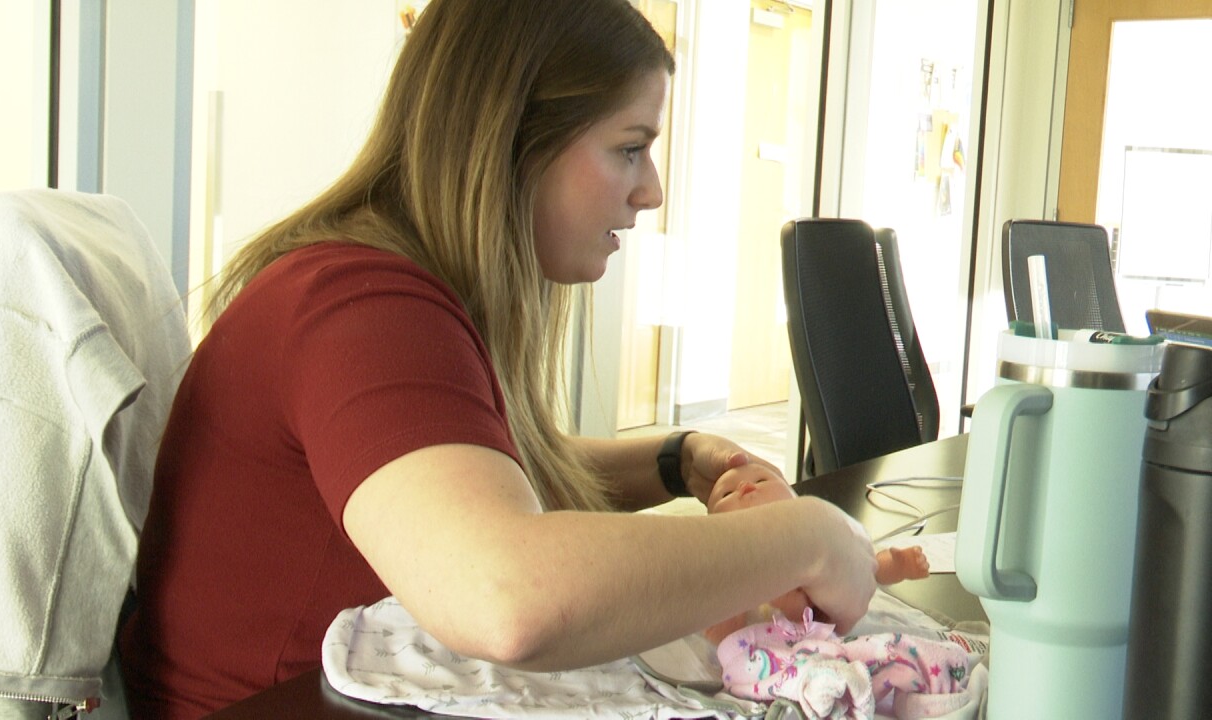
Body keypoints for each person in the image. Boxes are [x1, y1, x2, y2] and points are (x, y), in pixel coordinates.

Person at [117, 0, 877, 716]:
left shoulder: (392, 288)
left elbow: (466, 475)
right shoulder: (360, 307)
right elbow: (506, 594)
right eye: (630, 149)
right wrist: (806, 539)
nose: (649, 191)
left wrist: (676, 460)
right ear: (513, 139)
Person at [704, 464, 929, 645]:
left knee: (864, 568)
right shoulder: (730, 571)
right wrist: (732, 605)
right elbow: (718, 637)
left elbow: (862, 568)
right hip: (767, 652)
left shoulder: (814, 544)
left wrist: (893, 565)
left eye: (762, 480)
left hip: (827, 627)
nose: (744, 486)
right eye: (726, 494)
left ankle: (898, 564)